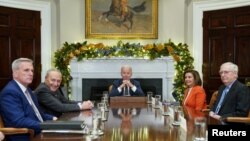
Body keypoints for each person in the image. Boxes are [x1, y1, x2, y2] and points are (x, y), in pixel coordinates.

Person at [0, 58, 57, 141]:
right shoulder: (10, 92)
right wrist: (45, 125)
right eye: (26, 70)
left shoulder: (28, 90)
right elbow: (19, 121)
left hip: (40, 131)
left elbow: (39, 114)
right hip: (27, 136)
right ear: (15, 73)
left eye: (32, 71)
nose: (31, 73)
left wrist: (53, 118)